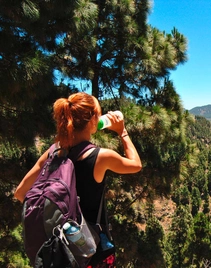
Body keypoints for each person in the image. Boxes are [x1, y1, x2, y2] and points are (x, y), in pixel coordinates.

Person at [14, 92, 142, 267]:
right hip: (89, 251)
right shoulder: (101, 157)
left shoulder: (53, 152)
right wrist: (123, 132)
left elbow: (21, 193)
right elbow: (136, 165)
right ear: (92, 120)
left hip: (58, 253)